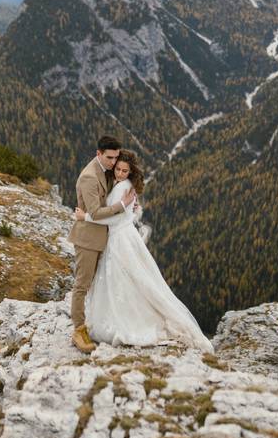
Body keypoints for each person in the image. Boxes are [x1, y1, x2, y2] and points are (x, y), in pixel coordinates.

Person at [75, 150, 213, 352]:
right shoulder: (126, 186)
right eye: (118, 169)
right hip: (124, 236)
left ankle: (123, 320)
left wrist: (85, 217)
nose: (120, 173)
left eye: (124, 170)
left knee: (121, 280)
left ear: (131, 172)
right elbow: (131, 212)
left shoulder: (122, 186)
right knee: (131, 279)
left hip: (118, 239)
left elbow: (114, 218)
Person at [67, 135, 136, 354]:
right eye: (109, 158)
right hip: (88, 239)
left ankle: (95, 321)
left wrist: (132, 201)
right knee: (82, 284)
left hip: (103, 237)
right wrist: (122, 205)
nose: (113, 162)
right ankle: (78, 329)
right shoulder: (89, 177)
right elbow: (95, 212)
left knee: (97, 283)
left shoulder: (105, 170)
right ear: (98, 154)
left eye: (116, 158)